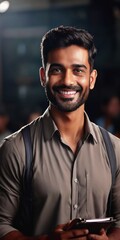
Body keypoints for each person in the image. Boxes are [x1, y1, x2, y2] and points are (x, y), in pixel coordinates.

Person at [0, 26, 120, 240]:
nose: (67, 80)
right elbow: (1, 225)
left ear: (91, 79)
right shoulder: (16, 149)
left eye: (78, 70)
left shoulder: (115, 150)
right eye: (57, 70)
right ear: (43, 76)